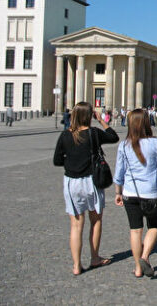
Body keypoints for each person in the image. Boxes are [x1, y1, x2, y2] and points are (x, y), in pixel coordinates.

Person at [53, 102, 119, 275]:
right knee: (95, 220)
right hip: (91, 181)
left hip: (71, 182)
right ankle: (95, 258)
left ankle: (76, 265)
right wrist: (102, 121)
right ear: (90, 116)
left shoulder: (65, 135)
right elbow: (113, 137)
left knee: (76, 225)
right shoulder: (94, 133)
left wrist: (71, 162)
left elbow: (57, 160)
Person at [113, 109, 157, 278]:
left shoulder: (123, 145)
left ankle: (138, 268)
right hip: (151, 194)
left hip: (130, 194)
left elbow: (119, 174)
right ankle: (145, 257)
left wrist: (118, 192)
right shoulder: (155, 143)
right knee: (153, 227)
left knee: (135, 230)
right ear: (147, 123)